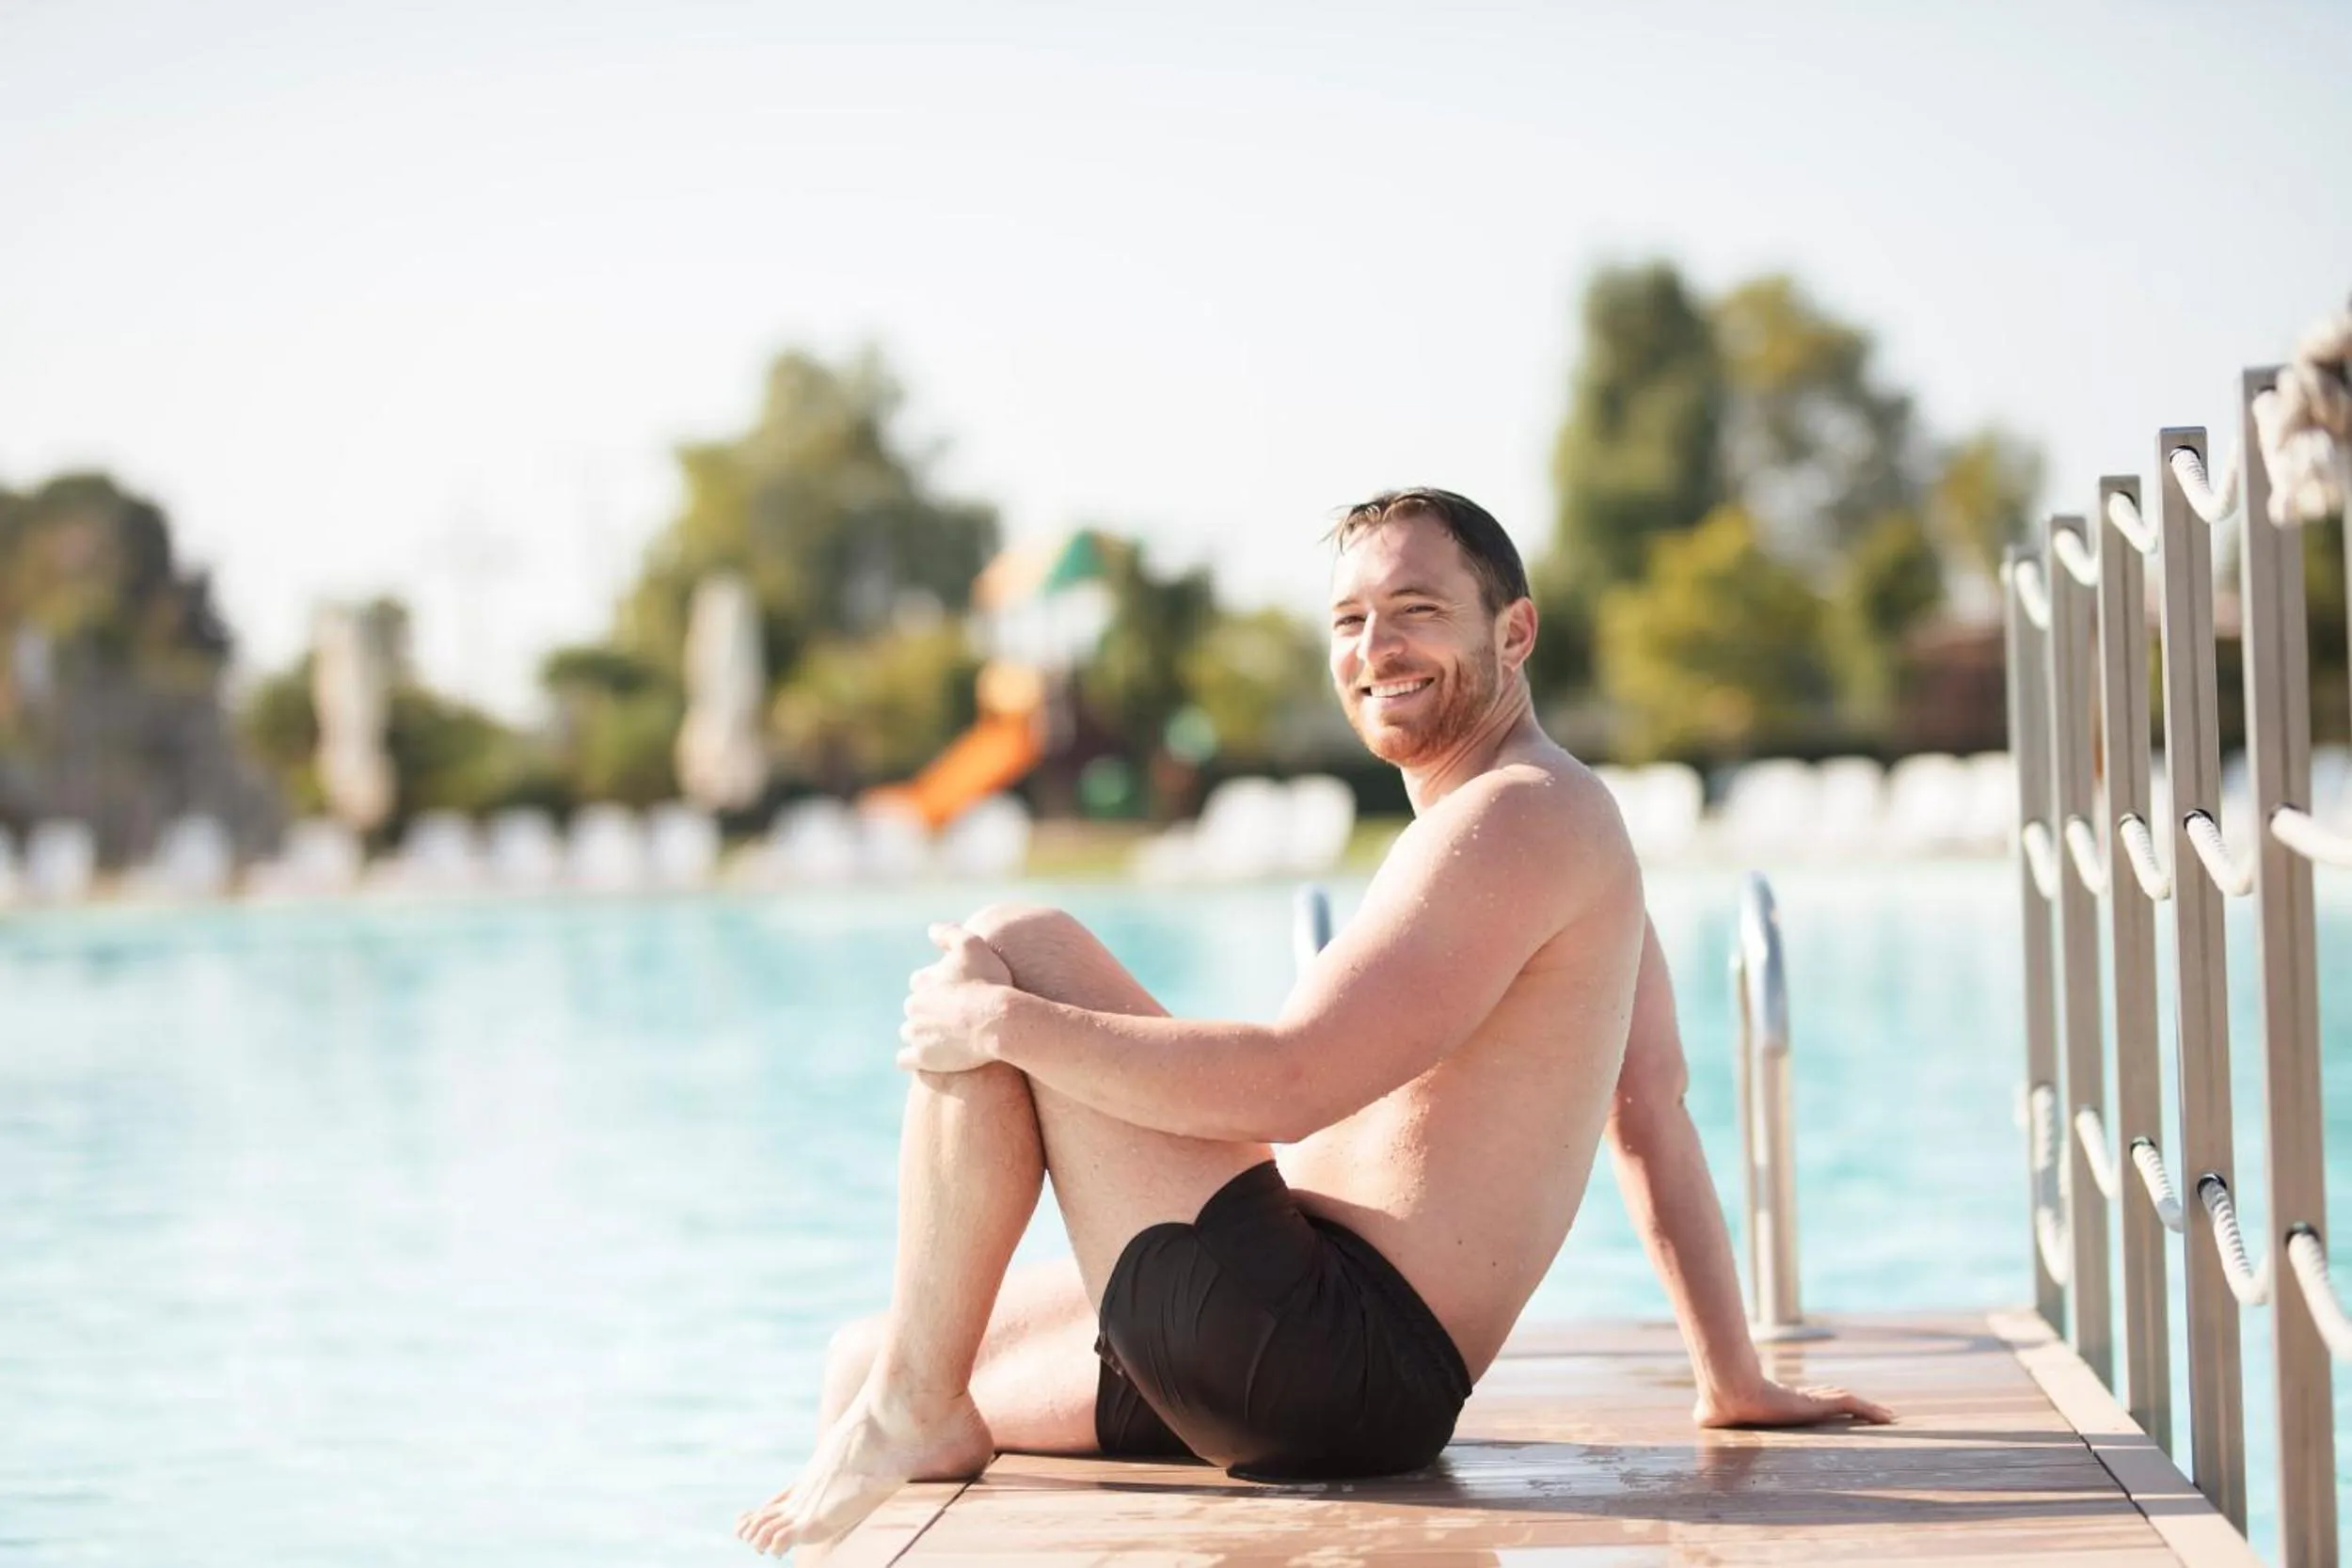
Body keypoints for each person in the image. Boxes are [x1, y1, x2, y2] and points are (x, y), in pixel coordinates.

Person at [737, 487, 1891, 1558]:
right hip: (1302, 1324)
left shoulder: (1518, 814)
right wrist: (1728, 1376)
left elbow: (1290, 1085)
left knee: (1018, 940)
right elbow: (1647, 1109)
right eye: (1349, 618)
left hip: (1328, 1350)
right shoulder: (1564, 820)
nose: (1375, 648)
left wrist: (1001, 1021)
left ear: (1515, 632)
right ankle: (912, 1404)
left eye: (1416, 610)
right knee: (865, 1356)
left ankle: (914, 1408)